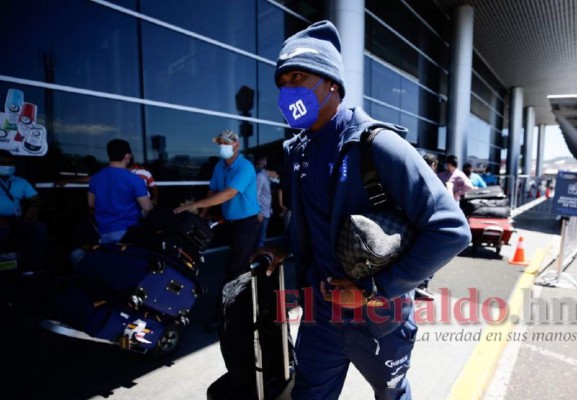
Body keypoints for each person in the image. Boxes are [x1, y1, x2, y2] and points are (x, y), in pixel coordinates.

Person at [252, 21, 471, 399]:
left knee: (391, 395)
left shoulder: (378, 145)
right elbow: (312, 223)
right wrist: (281, 246)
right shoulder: (298, 152)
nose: (288, 90)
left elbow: (450, 230)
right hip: (320, 316)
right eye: (283, 81)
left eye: (299, 76)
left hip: (378, 320)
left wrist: (373, 291)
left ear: (332, 83)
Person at [174, 130, 260, 284]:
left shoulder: (245, 167)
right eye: (220, 144)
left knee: (237, 266)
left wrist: (194, 205)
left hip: (246, 223)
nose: (222, 147)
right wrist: (202, 215)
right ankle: (242, 293)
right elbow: (212, 191)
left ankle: (232, 301)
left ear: (236, 145)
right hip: (229, 222)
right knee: (237, 260)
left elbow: (228, 194)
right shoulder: (220, 166)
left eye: (226, 143)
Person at [88, 139, 153, 244]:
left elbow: (91, 204)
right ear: (127, 156)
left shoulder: (96, 178)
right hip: (127, 233)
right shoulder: (134, 179)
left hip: (102, 232)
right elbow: (147, 208)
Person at [0, 150, 48, 273]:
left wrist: (34, 206)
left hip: (15, 220)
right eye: (3, 163)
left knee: (39, 229)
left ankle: (29, 270)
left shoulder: (20, 182)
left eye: (10, 163)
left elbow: (37, 199)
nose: (7, 166)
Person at [254, 154, 272, 249]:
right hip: (262, 212)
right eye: (265, 160)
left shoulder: (264, 174)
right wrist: (258, 211)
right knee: (259, 238)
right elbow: (256, 195)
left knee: (262, 236)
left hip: (266, 210)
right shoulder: (260, 176)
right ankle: (255, 259)